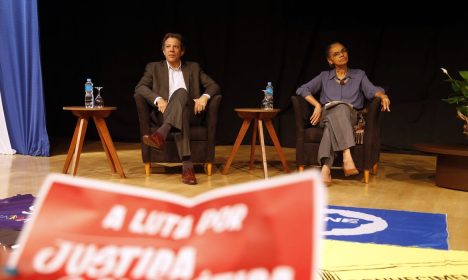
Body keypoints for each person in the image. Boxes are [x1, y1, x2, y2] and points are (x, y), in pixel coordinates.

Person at [296, 42, 390, 185]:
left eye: (343, 51)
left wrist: (382, 96)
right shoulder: (324, 76)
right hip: (325, 114)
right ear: (330, 61)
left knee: (335, 119)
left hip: (350, 116)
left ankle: (325, 169)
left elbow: (372, 91)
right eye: (336, 54)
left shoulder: (359, 75)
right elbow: (302, 89)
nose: (341, 55)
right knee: (336, 111)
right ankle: (347, 156)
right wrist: (316, 105)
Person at [135, 33, 220, 185]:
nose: (171, 50)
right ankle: (188, 168)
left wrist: (204, 97)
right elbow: (140, 87)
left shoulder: (193, 68)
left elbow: (214, 86)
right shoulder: (153, 68)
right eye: (168, 47)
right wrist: (158, 99)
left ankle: (161, 134)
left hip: (192, 115)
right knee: (182, 113)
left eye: (175, 47)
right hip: (164, 114)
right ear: (163, 51)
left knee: (181, 92)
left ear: (182, 51)